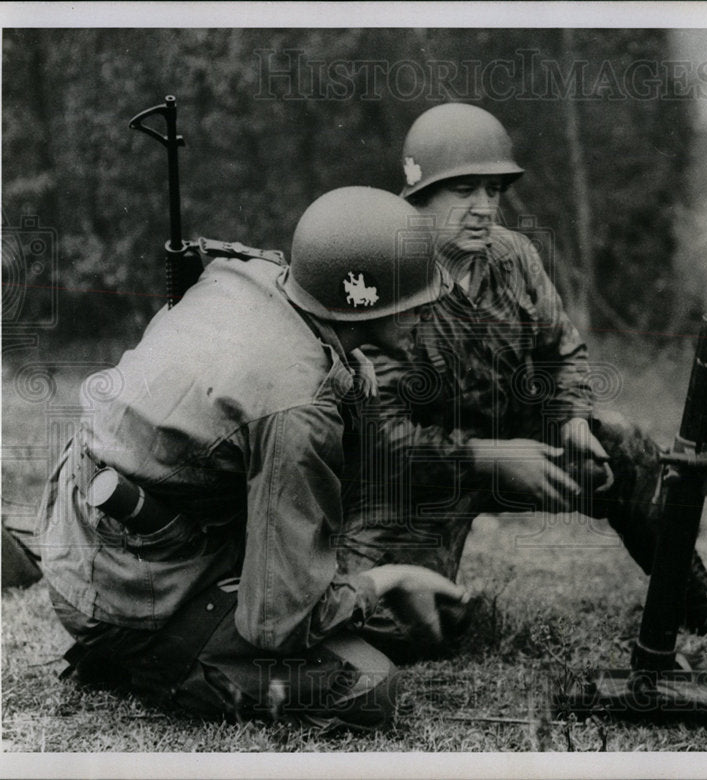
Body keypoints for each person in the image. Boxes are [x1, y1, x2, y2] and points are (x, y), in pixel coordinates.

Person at [34, 186, 466, 730]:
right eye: (414, 303)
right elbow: (277, 623)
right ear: (364, 298)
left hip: (93, 525)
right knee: (366, 684)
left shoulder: (244, 276)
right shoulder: (298, 407)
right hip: (122, 590)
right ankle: (145, 661)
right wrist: (390, 580)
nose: (429, 313)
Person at [339, 104, 707, 661]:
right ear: (419, 196)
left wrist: (572, 417)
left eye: (494, 190)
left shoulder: (514, 257)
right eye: (464, 191)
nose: (484, 209)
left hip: (523, 446)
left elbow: (562, 353)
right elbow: (380, 441)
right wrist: (488, 457)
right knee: (398, 631)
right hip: (418, 478)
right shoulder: (389, 274)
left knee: (619, 443)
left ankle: (689, 596)